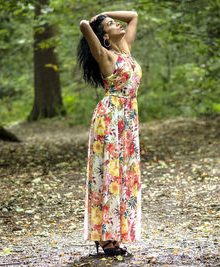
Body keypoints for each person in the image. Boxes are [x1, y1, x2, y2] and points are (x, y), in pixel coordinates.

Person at [77, 11, 142, 256]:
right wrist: (94, 20)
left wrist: (104, 15)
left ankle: (114, 234)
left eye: (115, 22)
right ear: (104, 36)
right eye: (111, 24)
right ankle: (105, 237)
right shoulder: (105, 56)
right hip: (110, 117)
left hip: (128, 118)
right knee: (108, 176)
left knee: (124, 178)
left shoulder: (125, 48)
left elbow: (133, 16)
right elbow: (84, 25)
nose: (117, 23)